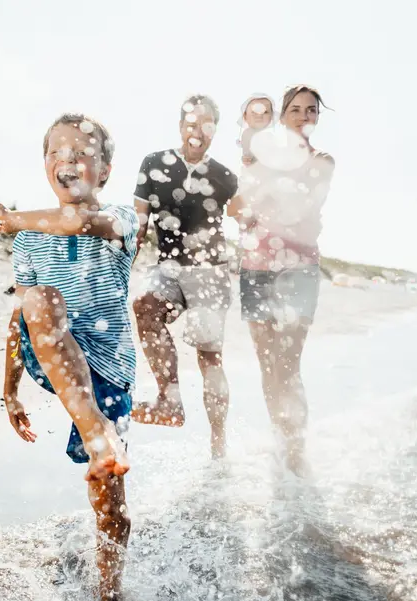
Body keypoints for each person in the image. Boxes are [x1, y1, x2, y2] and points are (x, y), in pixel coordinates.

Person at [0, 112, 139, 601]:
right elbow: (19, 317)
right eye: (56, 153)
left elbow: (76, 222)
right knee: (38, 300)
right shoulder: (30, 239)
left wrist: (9, 219)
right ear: (44, 164)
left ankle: (109, 592)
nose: (66, 161)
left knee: (109, 501)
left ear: (106, 170)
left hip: (107, 368)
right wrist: (9, 391)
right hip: (51, 353)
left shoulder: (122, 220)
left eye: (81, 154)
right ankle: (96, 429)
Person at [228, 85, 336, 475]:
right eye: (295, 109)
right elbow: (236, 209)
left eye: (311, 110)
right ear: (283, 116)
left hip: (299, 269)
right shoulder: (259, 160)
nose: (304, 116)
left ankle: (297, 449)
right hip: (255, 266)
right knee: (266, 364)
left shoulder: (323, 160)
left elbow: (302, 207)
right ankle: (281, 437)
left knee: (288, 365)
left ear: (317, 118)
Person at [131, 94, 239, 459]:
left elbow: (248, 217)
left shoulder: (225, 177)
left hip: (211, 272)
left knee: (209, 358)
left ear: (215, 131)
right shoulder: (154, 164)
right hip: (168, 268)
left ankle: (218, 443)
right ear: (181, 127)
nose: (197, 132)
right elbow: (139, 225)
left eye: (206, 126)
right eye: (191, 124)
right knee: (145, 306)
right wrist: (123, 265)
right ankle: (169, 400)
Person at [237, 93, 276, 166]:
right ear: (245, 116)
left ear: (272, 116)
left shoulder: (271, 135)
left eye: (265, 112)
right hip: (255, 170)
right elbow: (247, 155)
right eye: (254, 112)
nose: (259, 116)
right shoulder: (248, 133)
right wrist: (247, 158)